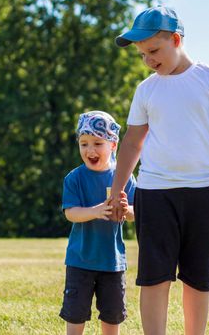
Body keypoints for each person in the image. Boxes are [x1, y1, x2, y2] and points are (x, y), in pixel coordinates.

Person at [109, 6, 209, 335]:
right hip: (154, 193)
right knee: (154, 276)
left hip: (204, 192)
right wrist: (117, 189)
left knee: (198, 278)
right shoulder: (146, 90)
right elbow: (132, 143)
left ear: (176, 40)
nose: (148, 60)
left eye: (153, 51)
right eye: (142, 55)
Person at [60, 110, 137, 335]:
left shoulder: (124, 177)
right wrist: (95, 211)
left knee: (112, 315)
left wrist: (127, 210)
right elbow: (71, 213)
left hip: (112, 262)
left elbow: (137, 213)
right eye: (84, 144)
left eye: (97, 143)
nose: (90, 150)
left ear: (113, 145)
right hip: (80, 260)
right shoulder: (74, 178)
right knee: (75, 313)